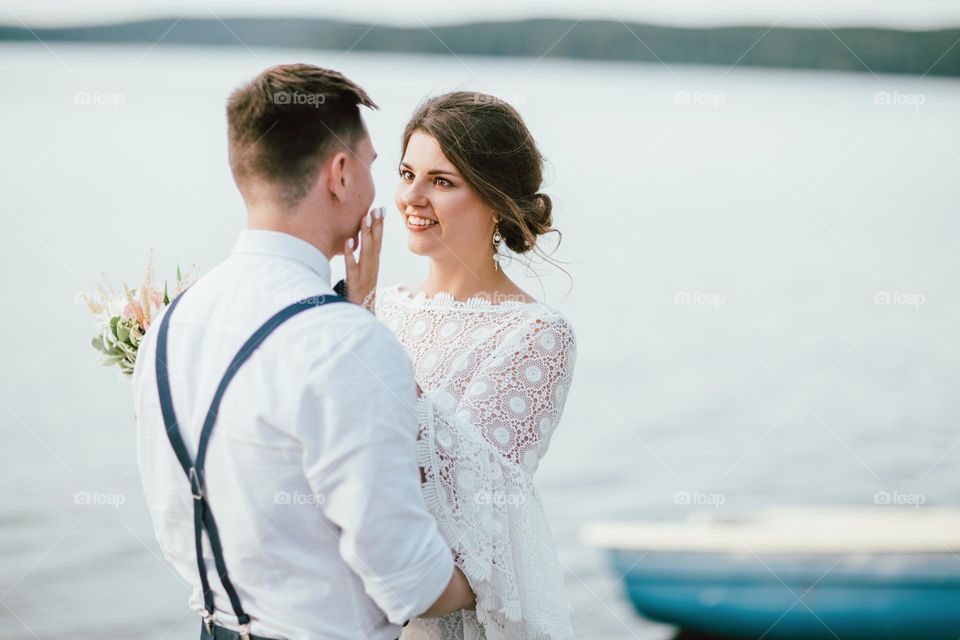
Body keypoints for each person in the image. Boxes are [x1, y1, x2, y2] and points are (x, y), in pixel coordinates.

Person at [132, 64, 474, 640]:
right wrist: (495, 576)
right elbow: (409, 581)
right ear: (339, 174)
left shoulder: (170, 324)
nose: (378, 184)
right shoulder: (347, 343)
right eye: (371, 163)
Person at [346, 92, 577, 639]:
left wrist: (356, 337)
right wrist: (350, 317)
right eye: (407, 173)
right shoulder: (379, 307)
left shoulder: (535, 334)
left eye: (442, 182)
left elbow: (472, 510)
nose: (412, 197)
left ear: (495, 200)